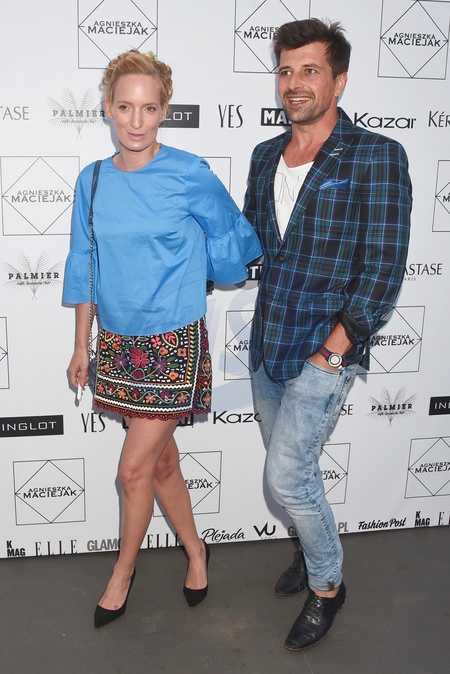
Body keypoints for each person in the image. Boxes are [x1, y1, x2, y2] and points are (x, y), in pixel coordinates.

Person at [63, 49, 262, 628]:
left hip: (173, 341)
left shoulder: (188, 172)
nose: (136, 120)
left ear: (164, 112)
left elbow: (233, 238)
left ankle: (122, 573)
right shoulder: (91, 180)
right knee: (161, 462)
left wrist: (207, 264)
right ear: (107, 108)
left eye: (149, 108)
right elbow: (85, 264)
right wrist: (81, 344)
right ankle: (197, 551)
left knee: (131, 471)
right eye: (125, 107)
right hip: (117, 344)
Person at [244, 19, 412, 651]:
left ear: (338, 81)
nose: (294, 83)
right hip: (268, 345)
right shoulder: (265, 155)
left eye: (310, 70)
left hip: (325, 351)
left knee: (288, 476)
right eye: (286, 70)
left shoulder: (376, 155)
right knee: (292, 467)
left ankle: (328, 587)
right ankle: (305, 552)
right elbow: (250, 244)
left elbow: (384, 268)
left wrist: (334, 350)